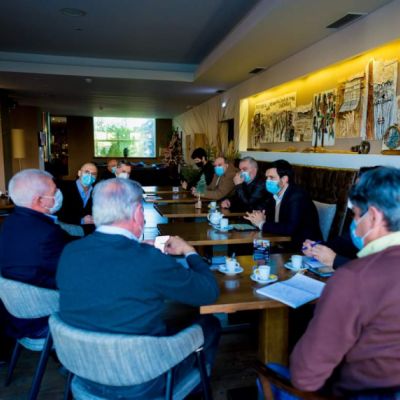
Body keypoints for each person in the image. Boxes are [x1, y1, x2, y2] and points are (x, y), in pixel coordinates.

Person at [57, 178, 221, 398]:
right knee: (209, 324)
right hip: (142, 382)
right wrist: (189, 251)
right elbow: (208, 292)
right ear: (137, 212)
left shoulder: (70, 252)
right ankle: (195, 390)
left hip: (83, 373)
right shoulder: (148, 260)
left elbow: (108, 274)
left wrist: (138, 248)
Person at [290, 167, 400, 396]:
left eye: (356, 214)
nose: (355, 224)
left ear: (374, 217)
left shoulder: (354, 278)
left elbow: (305, 376)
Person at [0, 169, 69, 340]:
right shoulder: (47, 233)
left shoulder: (9, 222)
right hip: (43, 320)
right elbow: (69, 275)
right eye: (54, 192)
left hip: (14, 316)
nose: (58, 195)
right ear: (39, 200)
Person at [302, 166, 381, 269]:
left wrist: (335, 260)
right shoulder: (360, 217)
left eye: (359, 190)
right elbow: (341, 244)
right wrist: (316, 247)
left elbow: (374, 272)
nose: (353, 194)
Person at [244, 159, 321, 251]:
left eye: (272, 178)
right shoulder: (274, 194)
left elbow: (290, 228)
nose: (267, 181)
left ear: (284, 179)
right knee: (247, 248)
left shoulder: (297, 196)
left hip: (303, 248)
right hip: (280, 241)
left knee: (256, 251)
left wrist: (262, 224)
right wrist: (259, 219)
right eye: (267, 178)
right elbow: (272, 221)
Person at [57, 162, 97, 226]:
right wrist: (81, 220)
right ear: (79, 173)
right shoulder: (64, 188)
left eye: (93, 174)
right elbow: (57, 212)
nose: (90, 176)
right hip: (67, 228)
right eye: (87, 172)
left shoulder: (97, 190)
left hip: (91, 229)